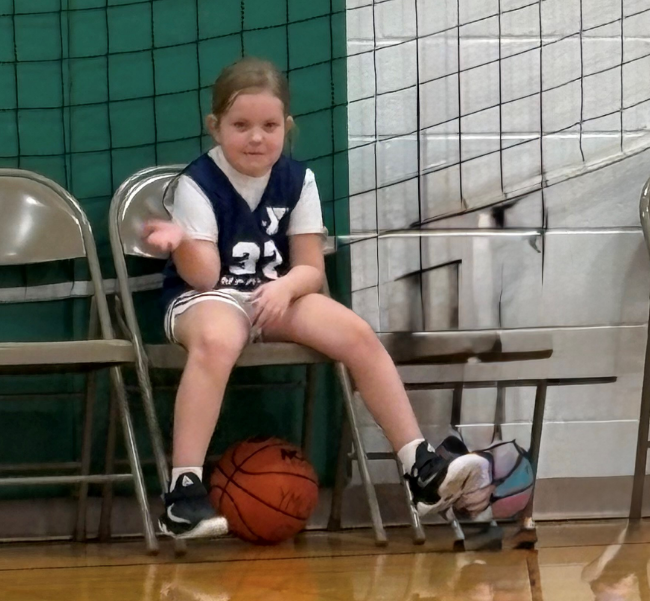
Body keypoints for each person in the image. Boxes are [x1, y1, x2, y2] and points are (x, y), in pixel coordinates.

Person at [143, 56, 494, 539]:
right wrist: (179, 242)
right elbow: (204, 278)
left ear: (286, 127)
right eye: (241, 125)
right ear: (215, 127)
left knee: (355, 332)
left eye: (269, 125)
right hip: (205, 299)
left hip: (272, 293)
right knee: (220, 338)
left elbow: (309, 268)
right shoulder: (196, 183)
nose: (256, 137)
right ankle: (183, 493)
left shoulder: (298, 179)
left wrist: (285, 287)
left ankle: (419, 468)